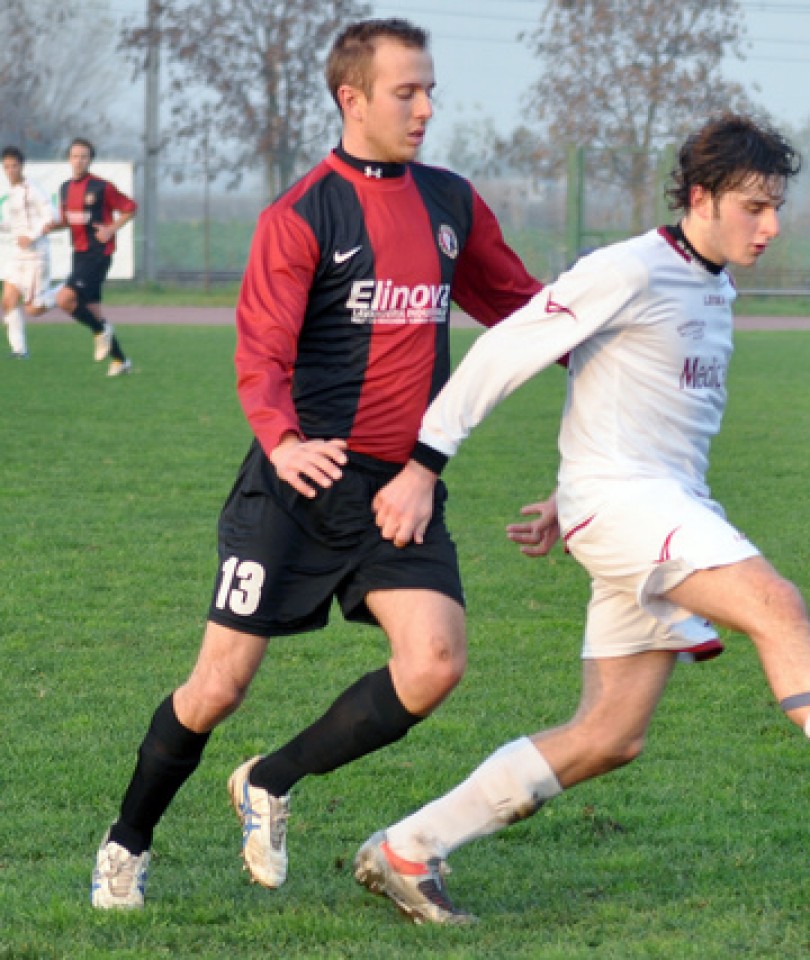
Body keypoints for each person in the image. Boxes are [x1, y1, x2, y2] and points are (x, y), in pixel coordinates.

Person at [351, 113, 810, 926]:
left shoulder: (714, 281)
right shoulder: (627, 269)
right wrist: (425, 466)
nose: (769, 227)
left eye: (776, 208)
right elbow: (504, 349)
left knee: (608, 735)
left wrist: (572, 495)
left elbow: (637, 398)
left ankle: (408, 847)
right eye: (753, 207)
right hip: (630, 504)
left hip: (647, 503)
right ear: (700, 196)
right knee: (776, 604)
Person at [89, 17, 544, 910]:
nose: (424, 109)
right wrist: (283, 437)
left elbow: (521, 307)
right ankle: (126, 844)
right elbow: (259, 351)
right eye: (405, 92)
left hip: (399, 488)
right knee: (218, 685)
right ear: (353, 98)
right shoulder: (302, 213)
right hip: (296, 484)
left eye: (429, 91)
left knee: (436, 662)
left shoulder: (451, 202)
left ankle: (270, 780)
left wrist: (606, 336)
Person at [51, 138, 137, 376]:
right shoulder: (65, 188)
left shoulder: (101, 187)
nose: (79, 160)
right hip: (79, 253)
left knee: (64, 299)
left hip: (98, 253)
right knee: (93, 310)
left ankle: (100, 331)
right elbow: (67, 220)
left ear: (90, 160)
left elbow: (131, 207)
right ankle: (120, 361)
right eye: (75, 156)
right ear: (69, 159)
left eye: (84, 156)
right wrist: (50, 226)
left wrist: (111, 228)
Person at [1, 146, 60, 359]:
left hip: (36, 255)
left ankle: (66, 290)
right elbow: (16, 224)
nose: (10, 170)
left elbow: (51, 214)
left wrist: (32, 236)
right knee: (7, 301)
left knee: (33, 309)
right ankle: (19, 350)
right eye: (6, 166)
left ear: (21, 166)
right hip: (18, 255)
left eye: (14, 166)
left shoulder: (32, 188)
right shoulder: (12, 192)